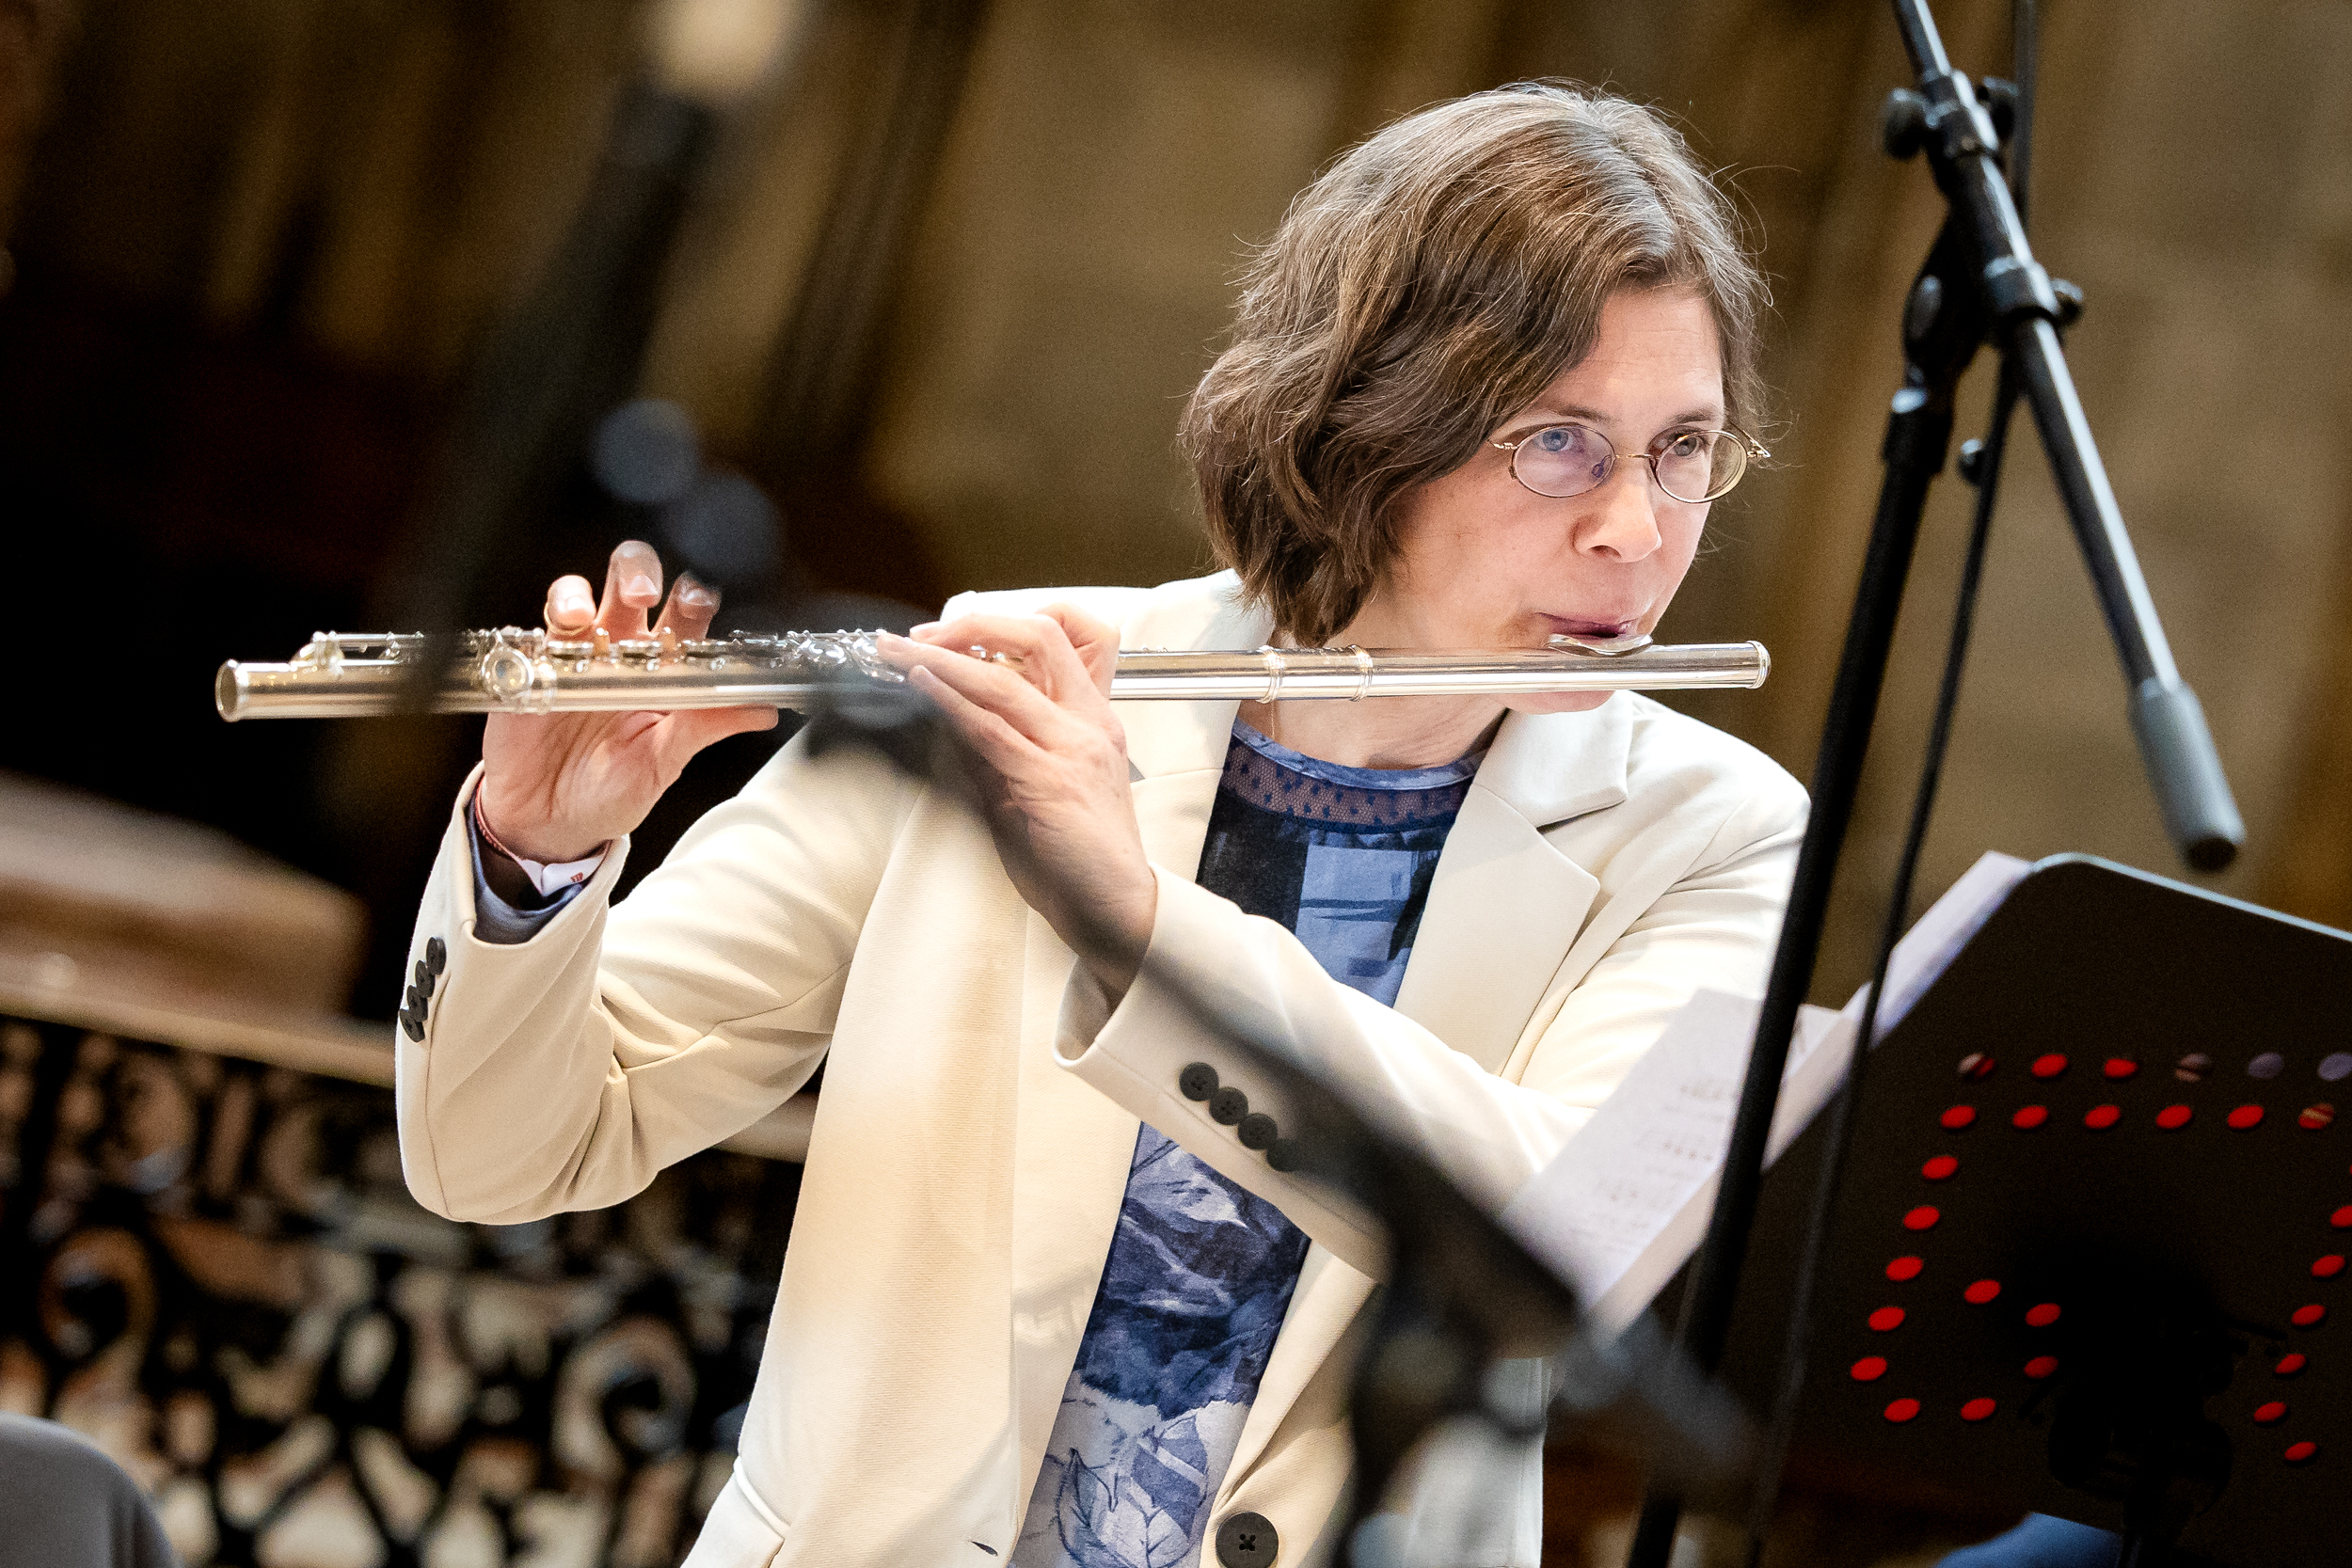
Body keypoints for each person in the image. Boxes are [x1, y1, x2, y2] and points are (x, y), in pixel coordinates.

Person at [393, 83, 1805, 1568]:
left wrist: (1139, 922)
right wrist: (535, 859)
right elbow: (499, 1160)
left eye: (1683, 449)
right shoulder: (1002, 697)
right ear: (1372, 429)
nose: (1637, 531)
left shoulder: (1712, 836)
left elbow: (1562, 1247)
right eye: (1560, 444)